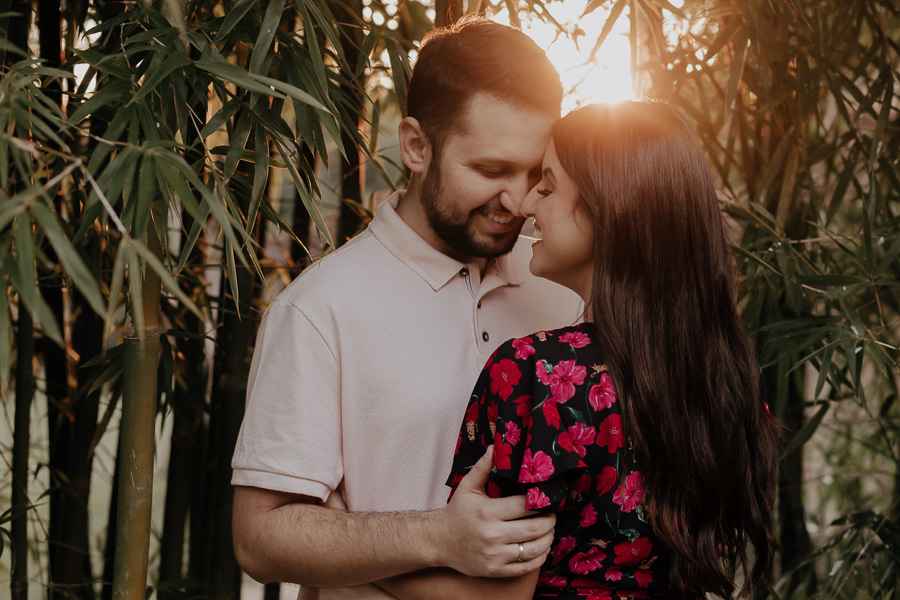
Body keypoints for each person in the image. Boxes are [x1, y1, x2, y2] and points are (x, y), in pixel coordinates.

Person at [231, 16, 583, 599]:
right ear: (417, 147)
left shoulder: (567, 287)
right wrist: (438, 536)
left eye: (534, 174)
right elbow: (260, 538)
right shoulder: (320, 309)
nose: (519, 201)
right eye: (491, 170)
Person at [442, 101, 782, 599]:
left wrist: (360, 576)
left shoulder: (536, 371)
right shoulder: (728, 374)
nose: (526, 204)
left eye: (547, 187)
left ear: (609, 207)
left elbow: (497, 595)